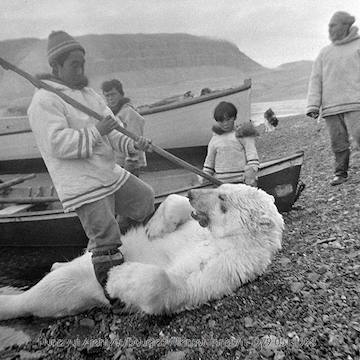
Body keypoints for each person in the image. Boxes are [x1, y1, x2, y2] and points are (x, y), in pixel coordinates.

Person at [27, 31, 155, 308]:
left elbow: (115, 131)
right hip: (83, 184)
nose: (81, 70)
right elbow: (58, 144)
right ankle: (114, 295)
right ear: (56, 67)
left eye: (82, 63)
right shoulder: (44, 101)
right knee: (105, 240)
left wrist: (135, 144)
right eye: (74, 64)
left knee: (144, 200)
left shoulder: (89, 94)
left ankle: (116, 250)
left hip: (109, 173)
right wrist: (97, 131)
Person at [306, 11, 360, 186]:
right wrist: (313, 106)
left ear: (346, 26)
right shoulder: (324, 53)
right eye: (329, 25)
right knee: (338, 142)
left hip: (355, 103)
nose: (329, 29)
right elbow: (316, 79)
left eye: (333, 25)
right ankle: (340, 173)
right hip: (331, 107)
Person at [200, 101, 260, 185]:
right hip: (221, 183)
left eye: (228, 120)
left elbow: (252, 156)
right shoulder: (215, 139)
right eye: (221, 121)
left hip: (242, 181)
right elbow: (209, 163)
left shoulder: (242, 135)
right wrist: (205, 176)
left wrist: (251, 171)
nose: (225, 124)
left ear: (234, 118)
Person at [101, 79, 146, 177]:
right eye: (107, 96)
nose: (110, 99)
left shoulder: (129, 113)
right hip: (116, 164)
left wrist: (130, 164)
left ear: (121, 94)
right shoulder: (111, 114)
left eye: (113, 94)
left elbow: (136, 140)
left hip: (129, 165)